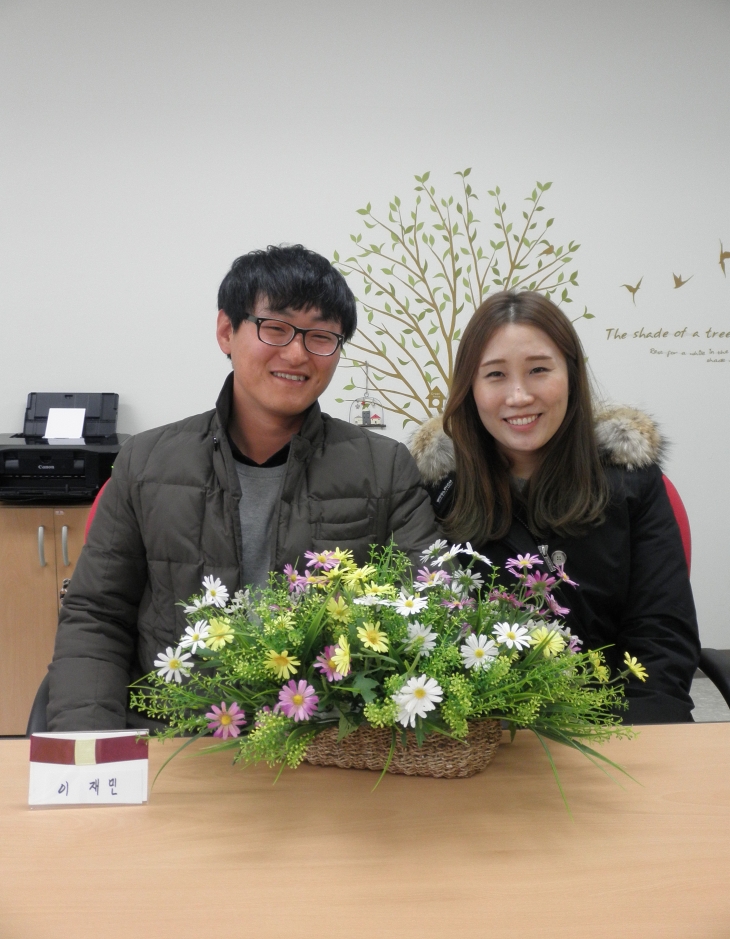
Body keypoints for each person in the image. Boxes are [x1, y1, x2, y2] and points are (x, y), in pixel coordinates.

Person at [47, 245, 439, 731]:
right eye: (275, 328)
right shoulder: (146, 462)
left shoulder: (384, 468)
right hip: (175, 738)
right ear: (226, 331)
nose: (297, 353)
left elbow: (429, 612)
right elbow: (97, 616)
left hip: (326, 742)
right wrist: (89, 750)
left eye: (321, 336)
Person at [410, 290, 700, 724]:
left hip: (613, 724)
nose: (518, 396)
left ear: (571, 374)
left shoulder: (631, 484)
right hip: (481, 734)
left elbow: (662, 641)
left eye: (539, 370)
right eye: (495, 375)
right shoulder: (435, 494)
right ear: (470, 389)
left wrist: (620, 744)